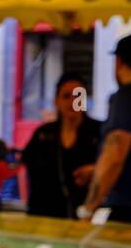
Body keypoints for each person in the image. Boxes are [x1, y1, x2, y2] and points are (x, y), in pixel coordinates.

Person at [21, 73, 103, 219]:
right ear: (56, 101)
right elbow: (26, 165)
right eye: (66, 96)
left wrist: (96, 170)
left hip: (86, 217)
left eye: (78, 96)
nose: (72, 101)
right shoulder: (43, 134)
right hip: (44, 216)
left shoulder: (100, 132)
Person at [79, 36, 131, 223]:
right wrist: (97, 170)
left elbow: (115, 153)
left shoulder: (125, 97)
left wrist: (88, 208)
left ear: (118, 62)